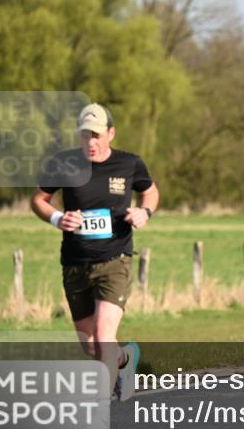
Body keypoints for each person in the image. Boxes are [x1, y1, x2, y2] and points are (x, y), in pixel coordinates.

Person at [30, 103, 158, 400]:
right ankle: (126, 358)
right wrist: (57, 218)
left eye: (97, 134)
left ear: (110, 134)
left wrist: (145, 212)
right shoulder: (64, 163)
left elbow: (150, 190)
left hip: (115, 259)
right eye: (85, 135)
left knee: (103, 336)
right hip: (75, 262)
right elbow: (39, 199)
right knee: (90, 345)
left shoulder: (129, 164)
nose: (91, 141)